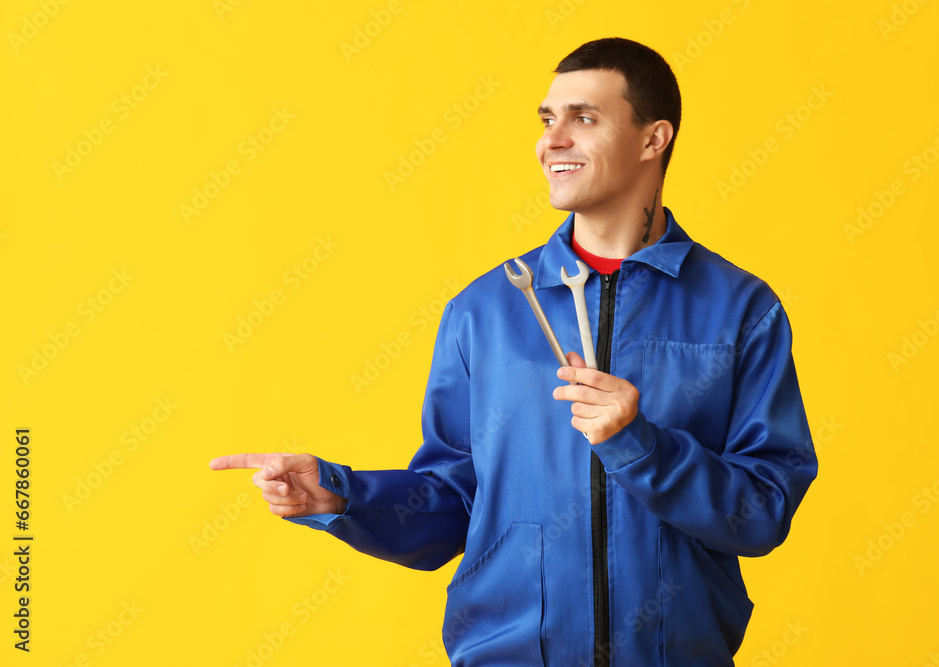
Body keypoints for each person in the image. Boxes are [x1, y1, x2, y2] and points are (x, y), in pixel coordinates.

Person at [210, 37, 817, 666]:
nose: (552, 140)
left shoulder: (741, 308)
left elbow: (762, 513)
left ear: (652, 139)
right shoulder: (486, 310)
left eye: (584, 118)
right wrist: (342, 497)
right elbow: (453, 506)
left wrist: (639, 443)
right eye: (548, 120)